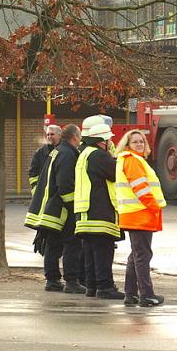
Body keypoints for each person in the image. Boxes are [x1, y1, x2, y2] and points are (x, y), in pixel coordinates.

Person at [25, 124, 84, 293]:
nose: (79, 140)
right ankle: (71, 282)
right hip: (61, 210)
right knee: (71, 244)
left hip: (51, 210)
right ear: (74, 137)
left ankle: (52, 280)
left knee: (53, 246)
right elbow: (65, 185)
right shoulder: (67, 154)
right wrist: (73, 207)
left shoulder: (57, 152)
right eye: (79, 137)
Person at [115, 129, 166, 307]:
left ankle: (131, 295)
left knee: (136, 255)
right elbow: (141, 188)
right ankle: (147, 295)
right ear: (127, 145)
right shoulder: (132, 160)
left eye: (141, 141)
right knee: (143, 255)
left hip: (135, 213)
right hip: (141, 214)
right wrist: (154, 207)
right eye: (135, 141)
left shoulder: (131, 159)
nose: (139, 144)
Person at [74, 122, 125, 300]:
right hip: (99, 212)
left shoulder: (84, 154)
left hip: (84, 213)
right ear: (102, 141)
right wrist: (113, 156)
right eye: (109, 140)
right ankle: (105, 287)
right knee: (104, 251)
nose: (110, 142)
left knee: (90, 252)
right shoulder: (99, 156)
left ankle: (92, 286)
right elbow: (117, 173)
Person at [28, 124, 61, 195]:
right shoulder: (40, 152)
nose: (49, 137)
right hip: (43, 191)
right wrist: (35, 187)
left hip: (59, 191)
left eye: (52, 134)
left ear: (59, 135)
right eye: (47, 135)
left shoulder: (64, 151)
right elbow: (33, 173)